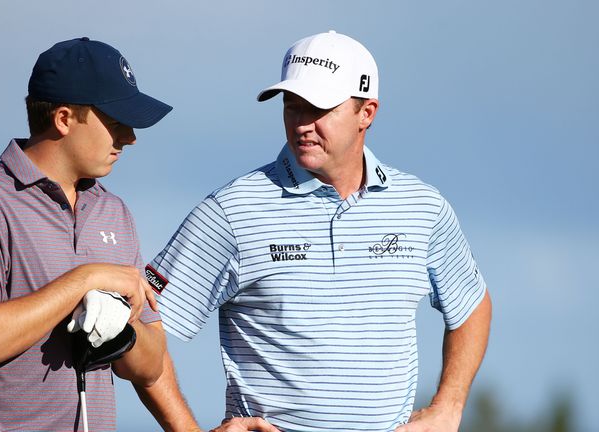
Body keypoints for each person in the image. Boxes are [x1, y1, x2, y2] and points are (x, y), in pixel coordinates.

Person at [141, 30, 492, 432]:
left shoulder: (422, 207)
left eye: (319, 108)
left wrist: (449, 405)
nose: (302, 124)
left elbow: (472, 304)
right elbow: (141, 327)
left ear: (367, 112)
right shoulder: (232, 211)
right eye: (293, 106)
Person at [0, 37, 172, 431]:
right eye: (115, 124)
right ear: (63, 118)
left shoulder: (115, 212)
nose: (129, 138)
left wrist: (119, 328)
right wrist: (85, 279)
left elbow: (150, 365)